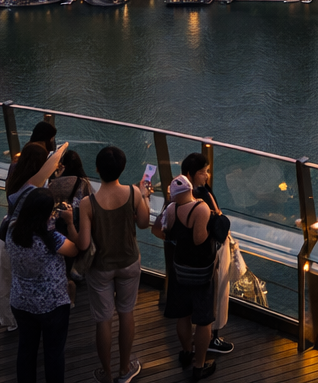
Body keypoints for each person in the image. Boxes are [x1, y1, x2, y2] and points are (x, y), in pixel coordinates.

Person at [74, 145, 150, 383]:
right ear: (122, 168)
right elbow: (144, 223)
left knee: (103, 320)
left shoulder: (88, 203)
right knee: (127, 313)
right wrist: (145, 195)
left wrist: (69, 223)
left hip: (101, 267)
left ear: (97, 169)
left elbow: (84, 243)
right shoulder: (133, 193)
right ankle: (125, 369)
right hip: (128, 262)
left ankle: (106, 374)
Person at [8, 188, 80, 383]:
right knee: (54, 353)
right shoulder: (52, 239)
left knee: (26, 349)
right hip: (52, 304)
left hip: (21, 301)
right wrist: (70, 222)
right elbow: (75, 249)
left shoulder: (11, 229)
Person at [0, 142, 69, 332]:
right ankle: (19, 320)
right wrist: (62, 149)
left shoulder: (16, 177)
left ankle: (12, 321)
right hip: (24, 237)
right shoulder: (30, 184)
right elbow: (50, 166)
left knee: (9, 281)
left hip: (10, 236)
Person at [154, 176, 218, 380]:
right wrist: (213, 230)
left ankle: (186, 352)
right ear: (191, 189)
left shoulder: (171, 209)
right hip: (200, 271)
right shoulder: (200, 209)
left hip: (179, 268)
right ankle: (199, 365)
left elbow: (160, 231)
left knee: (183, 315)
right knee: (203, 320)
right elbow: (199, 239)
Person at [180, 152, 234, 356]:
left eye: (207, 171)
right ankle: (211, 340)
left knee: (186, 310)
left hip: (185, 261)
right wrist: (221, 219)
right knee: (216, 299)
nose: (207, 175)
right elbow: (216, 228)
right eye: (203, 172)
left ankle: (188, 349)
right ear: (190, 174)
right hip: (210, 257)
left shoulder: (179, 196)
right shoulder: (201, 197)